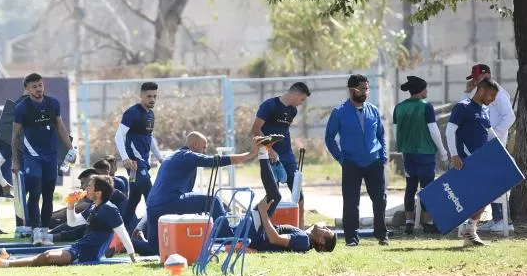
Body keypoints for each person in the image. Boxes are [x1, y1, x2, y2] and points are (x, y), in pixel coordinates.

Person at [131, 132, 262, 256]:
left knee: (155, 250)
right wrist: (250, 154)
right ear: (195, 145)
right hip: (169, 202)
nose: (204, 152)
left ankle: (128, 244)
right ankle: (232, 243)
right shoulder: (187, 155)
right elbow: (215, 161)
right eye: (203, 148)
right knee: (214, 200)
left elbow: (173, 195)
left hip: (153, 207)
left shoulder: (171, 157)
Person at [0, 175, 137, 268]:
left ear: (98, 193)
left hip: (85, 255)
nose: (85, 188)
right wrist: (71, 205)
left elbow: (123, 234)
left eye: (89, 186)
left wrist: (132, 258)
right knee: (45, 255)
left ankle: (3, 264)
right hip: (78, 248)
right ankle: (9, 259)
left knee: (46, 256)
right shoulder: (93, 207)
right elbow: (73, 222)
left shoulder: (109, 209)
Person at [11, 73, 77, 246]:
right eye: (34, 87)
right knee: (35, 193)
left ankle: (45, 232)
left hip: (51, 156)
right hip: (32, 157)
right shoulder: (21, 108)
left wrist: (70, 149)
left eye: (40, 85)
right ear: (27, 89)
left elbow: (60, 127)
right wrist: (15, 160)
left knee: (48, 195)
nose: (39, 89)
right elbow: (15, 136)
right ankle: (35, 231)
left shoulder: (53, 103)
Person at [324, 74, 389, 247]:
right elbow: (329, 138)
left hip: (374, 162)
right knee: (351, 201)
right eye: (361, 89)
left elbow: (381, 135)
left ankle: (382, 235)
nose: (365, 92)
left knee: (380, 199)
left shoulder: (373, 110)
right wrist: (340, 158)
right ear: (351, 89)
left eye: (366, 89)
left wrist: (383, 155)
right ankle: (351, 238)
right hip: (351, 163)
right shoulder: (339, 112)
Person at [446, 78, 501, 247]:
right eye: (491, 95)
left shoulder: (484, 110)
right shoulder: (463, 107)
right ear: (481, 91)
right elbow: (450, 130)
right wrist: (455, 155)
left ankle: (469, 231)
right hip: (465, 161)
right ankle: (468, 231)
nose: (493, 99)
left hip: (480, 161)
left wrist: (503, 153)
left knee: (486, 195)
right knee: (478, 195)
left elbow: (490, 133)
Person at [464, 64, 516, 234]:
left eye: (477, 78)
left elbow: (510, 117)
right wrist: (467, 91)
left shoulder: (499, 93)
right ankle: (497, 218)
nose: (474, 81)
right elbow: (464, 107)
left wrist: (494, 135)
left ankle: (503, 221)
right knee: (489, 181)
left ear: (485, 76)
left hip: (494, 144)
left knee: (495, 182)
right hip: (485, 144)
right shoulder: (481, 92)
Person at [393, 76, 447, 235]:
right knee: (427, 189)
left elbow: (397, 131)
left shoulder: (399, 107)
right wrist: (443, 152)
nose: (427, 91)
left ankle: (409, 222)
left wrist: (402, 147)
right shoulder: (426, 106)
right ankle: (428, 222)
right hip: (425, 153)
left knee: (410, 187)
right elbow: (434, 131)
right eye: (425, 89)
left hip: (407, 153)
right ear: (420, 90)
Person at [251, 81, 311, 218]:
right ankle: (259, 222)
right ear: (295, 94)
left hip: (286, 155)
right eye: (302, 99)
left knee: (298, 193)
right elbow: (255, 129)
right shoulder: (269, 105)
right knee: (273, 196)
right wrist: (269, 149)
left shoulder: (293, 111)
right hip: (267, 155)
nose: (301, 103)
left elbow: (283, 131)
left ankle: (301, 231)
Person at [115, 82, 163, 234]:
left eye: (155, 96)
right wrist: (125, 158)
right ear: (141, 96)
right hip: (136, 165)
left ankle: (118, 236)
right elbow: (118, 136)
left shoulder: (150, 114)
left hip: (143, 164)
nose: (152, 99)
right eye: (149, 96)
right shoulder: (132, 113)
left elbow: (150, 138)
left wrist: (160, 158)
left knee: (133, 202)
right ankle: (155, 233)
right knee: (152, 198)